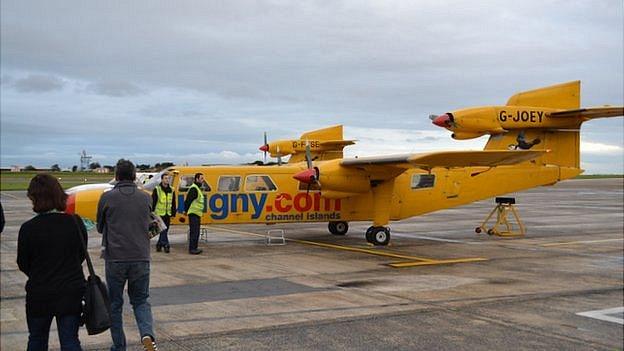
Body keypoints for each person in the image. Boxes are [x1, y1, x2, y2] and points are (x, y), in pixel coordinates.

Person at [17, 174, 86, 351]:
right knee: (70, 340)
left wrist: (41, 273)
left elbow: (23, 262)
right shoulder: (75, 222)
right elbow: (81, 255)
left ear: (35, 198)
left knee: (37, 340)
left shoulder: (28, 228)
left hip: (40, 292)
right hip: (70, 291)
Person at [97, 159, 158, 351]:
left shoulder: (107, 197)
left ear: (116, 176)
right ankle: (147, 334)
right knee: (141, 300)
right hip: (140, 256)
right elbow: (151, 224)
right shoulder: (146, 197)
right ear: (134, 176)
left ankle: (119, 345)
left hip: (115, 257)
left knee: (114, 304)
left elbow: (100, 227)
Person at [151, 172, 176, 253]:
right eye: (165, 178)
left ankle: (159, 244)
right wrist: (152, 212)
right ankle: (166, 245)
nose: (167, 180)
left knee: (164, 230)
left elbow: (173, 202)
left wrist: (173, 212)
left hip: (167, 214)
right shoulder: (157, 189)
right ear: (162, 180)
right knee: (163, 230)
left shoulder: (172, 190)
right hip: (159, 214)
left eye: (168, 178)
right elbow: (153, 202)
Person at [183, 173, 204, 255]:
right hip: (193, 213)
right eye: (201, 178)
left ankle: (194, 247)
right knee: (194, 231)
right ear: (196, 179)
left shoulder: (197, 188)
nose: (202, 180)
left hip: (197, 213)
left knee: (196, 231)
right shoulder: (194, 189)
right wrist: (186, 211)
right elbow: (188, 201)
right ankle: (192, 248)